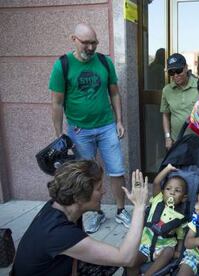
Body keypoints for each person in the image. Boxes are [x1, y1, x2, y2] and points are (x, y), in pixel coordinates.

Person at [50, 23, 131, 233]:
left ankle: (122, 210)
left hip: (106, 127)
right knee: (87, 175)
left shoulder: (104, 62)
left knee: (116, 170)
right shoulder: (63, 65)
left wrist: (119, 121)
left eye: (94, 42)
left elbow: (114, 93)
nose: (90, 47)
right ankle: (95, 213)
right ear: (73, 39)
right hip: (79, 131)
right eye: (85, 42)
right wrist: (59, 136)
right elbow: (57, 103)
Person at [12, 160, 148, 276]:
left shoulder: (61, 207)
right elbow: (125, 257)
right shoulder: (59, 232)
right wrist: (139, 205)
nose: (104, 192)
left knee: (129, 257)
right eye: (99, 188)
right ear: (79, 197)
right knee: (128, 257)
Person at [133, 164, 188, 275]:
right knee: (130, 262)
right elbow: (157, 182)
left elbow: (181, 237)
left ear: (184, 197)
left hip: (163, 248)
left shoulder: (181, 217)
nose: (172, 192)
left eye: (177, 191)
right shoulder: (157, 199)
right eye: (168, 189)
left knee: (169, 251)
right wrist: (168, 169)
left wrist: (179, 250)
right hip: (145, 245)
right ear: (163, 192)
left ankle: (148, 274)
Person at [160, 53, 199, 150]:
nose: (176, 75)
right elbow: (165, 115)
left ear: (186, 68)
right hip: (177, 141)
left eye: (178, 71)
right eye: (171, 73)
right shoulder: (167, 90)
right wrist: (168, 137)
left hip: (198, 141)